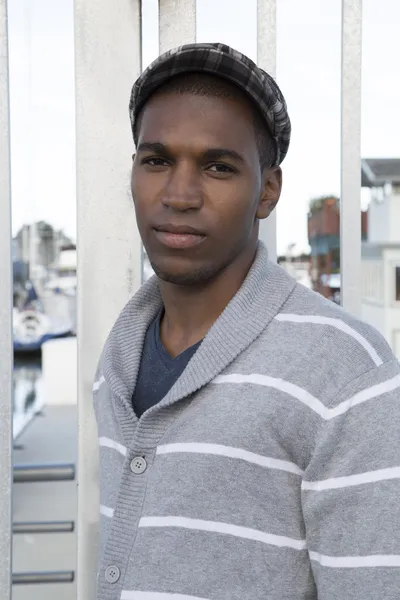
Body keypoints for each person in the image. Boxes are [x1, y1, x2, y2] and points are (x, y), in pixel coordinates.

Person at [93, 43, 400, 600]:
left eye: (218, 167)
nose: (179, 194)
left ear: (268, 191)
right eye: (156, 160)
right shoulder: (120, 352)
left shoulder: (347, 375)